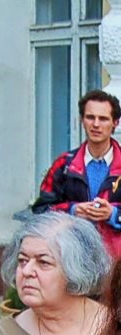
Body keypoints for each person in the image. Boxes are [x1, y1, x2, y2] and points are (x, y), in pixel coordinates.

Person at [32, 89, 121, 257]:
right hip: (73, 258)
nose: (96, 124)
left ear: (115, 123)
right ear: (82, 120)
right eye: (90, 117)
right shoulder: (64, 164)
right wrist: (72, 210)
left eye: (103, 119)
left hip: (116, 262)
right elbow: (41, 210)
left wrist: (113, 214)